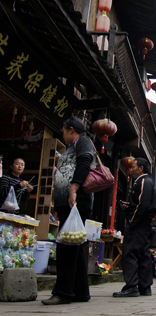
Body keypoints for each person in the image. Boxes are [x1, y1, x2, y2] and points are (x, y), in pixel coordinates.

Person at [42, 117, 94, 305]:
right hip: (71, 203)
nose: (62, 135)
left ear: (71, 129)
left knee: (66, 247)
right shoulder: (76, 144)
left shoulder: (83, 142)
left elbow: (84, 163)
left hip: (75, 202)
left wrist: (72, 190)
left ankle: (63, 292)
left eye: (63, 131)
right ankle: (80, 292)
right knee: (76, 245)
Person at [113, 157, 156, 297]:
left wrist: (131, 221)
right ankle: (145, 286)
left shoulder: (144, 181)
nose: (131, 169)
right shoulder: (144, 182)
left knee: (131, 253)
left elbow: (142, 205)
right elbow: (139, 204)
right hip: (143, 224)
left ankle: (132, 285)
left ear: (141, 168)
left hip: (139, 224)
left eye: (134, 166)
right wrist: (129, 207)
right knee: (143, 254)